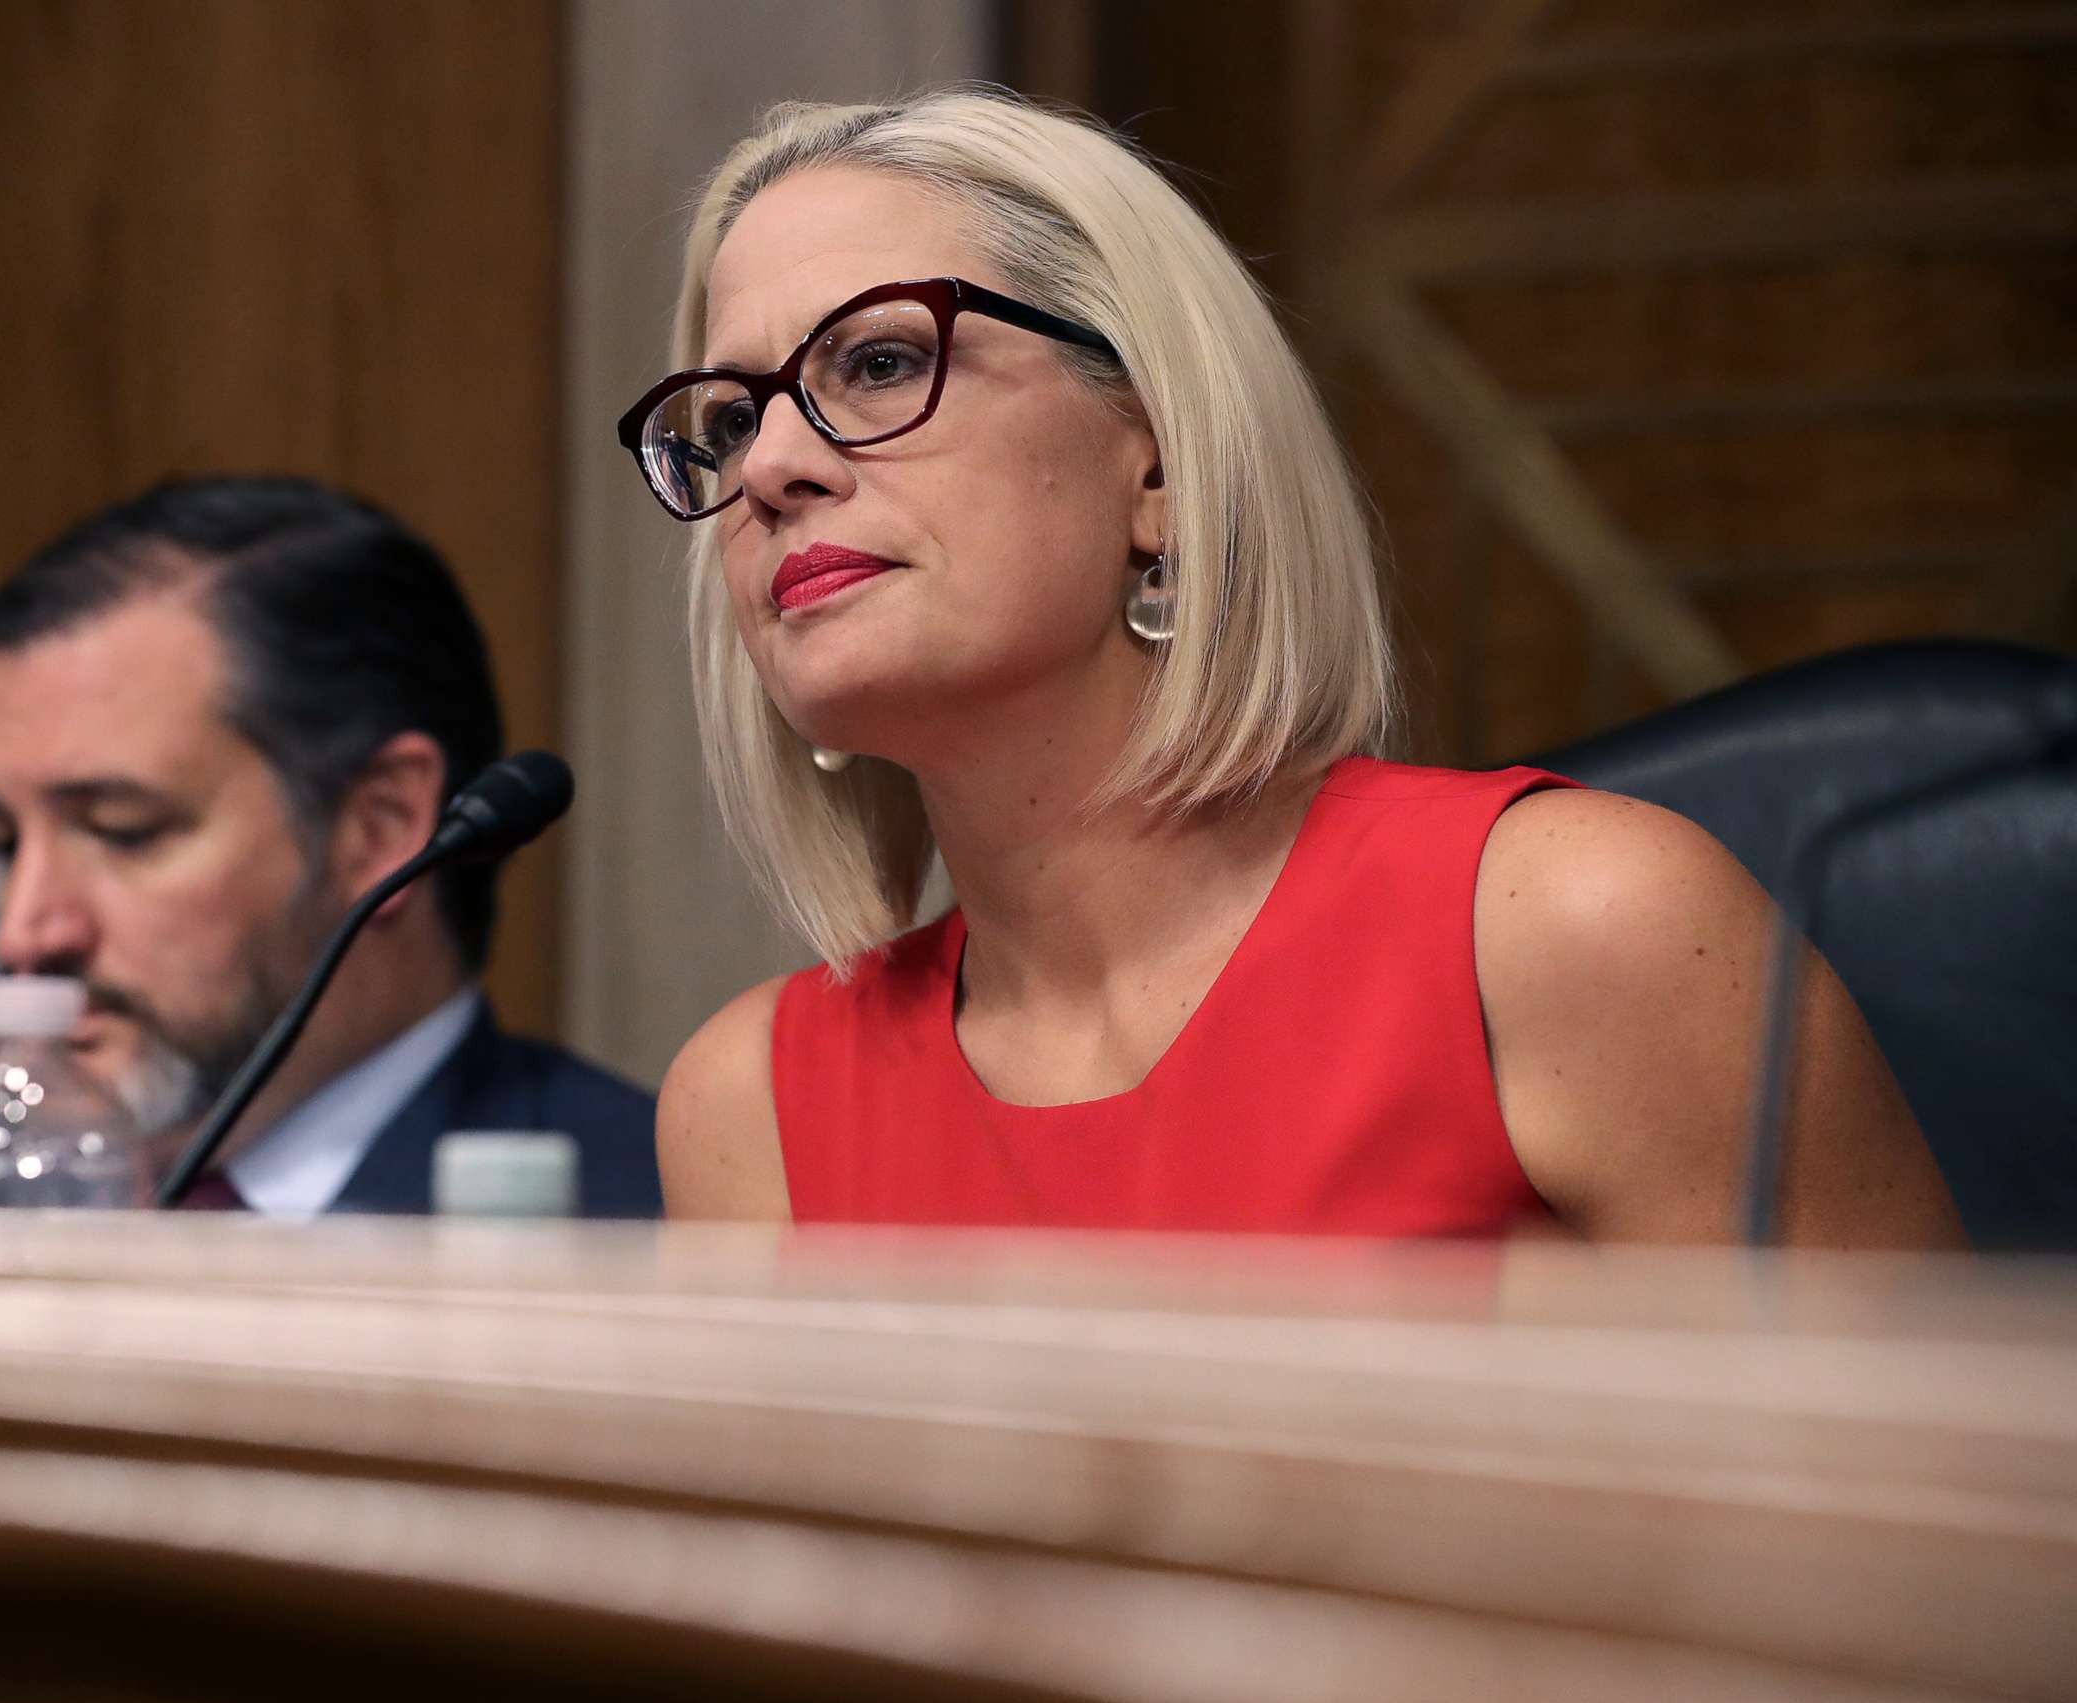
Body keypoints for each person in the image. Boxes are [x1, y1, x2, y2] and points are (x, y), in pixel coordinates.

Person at [632, 91, 1961, 1245]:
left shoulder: (1580, 932)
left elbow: (1920, 1530)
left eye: (876, 362)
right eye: (732, 419)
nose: (767, 468)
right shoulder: (749, 1107)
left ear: (1155, 459)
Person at [0, 476, 659, 1216]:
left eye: (121, 830)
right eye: (2, 845)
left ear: (383, 829)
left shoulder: (665, 1227)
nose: (24, 933)